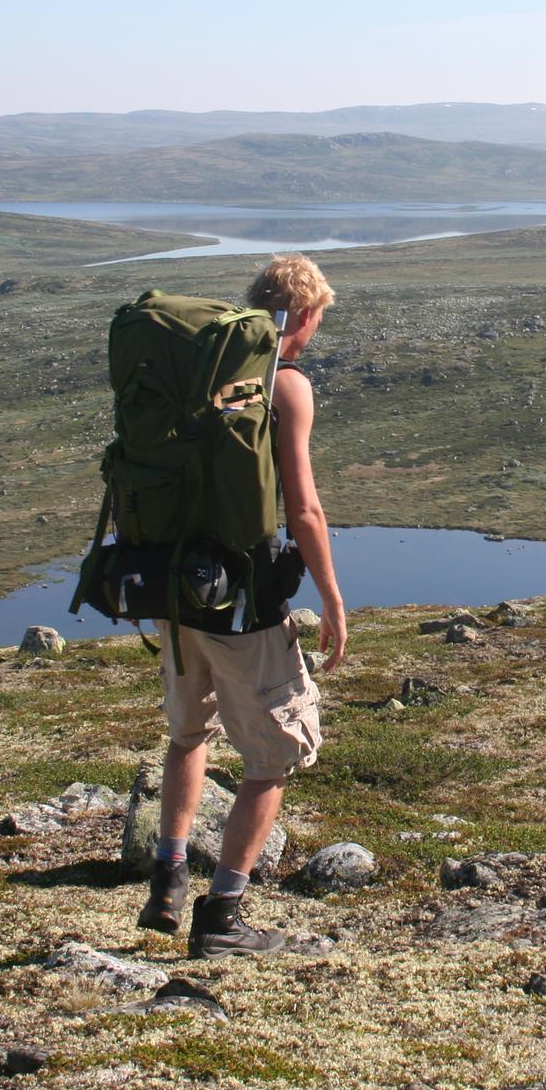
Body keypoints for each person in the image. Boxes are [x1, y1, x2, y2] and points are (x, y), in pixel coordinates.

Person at [136, 254, 348, 958]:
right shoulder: (283, 385)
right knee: (273, 758)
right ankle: (223, 915)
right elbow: (305, 508)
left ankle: (167, 876)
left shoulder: (196, 379)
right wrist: (333, 601)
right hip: (244, 603)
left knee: (187, 734)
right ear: (305, 316)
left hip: (176, 591)